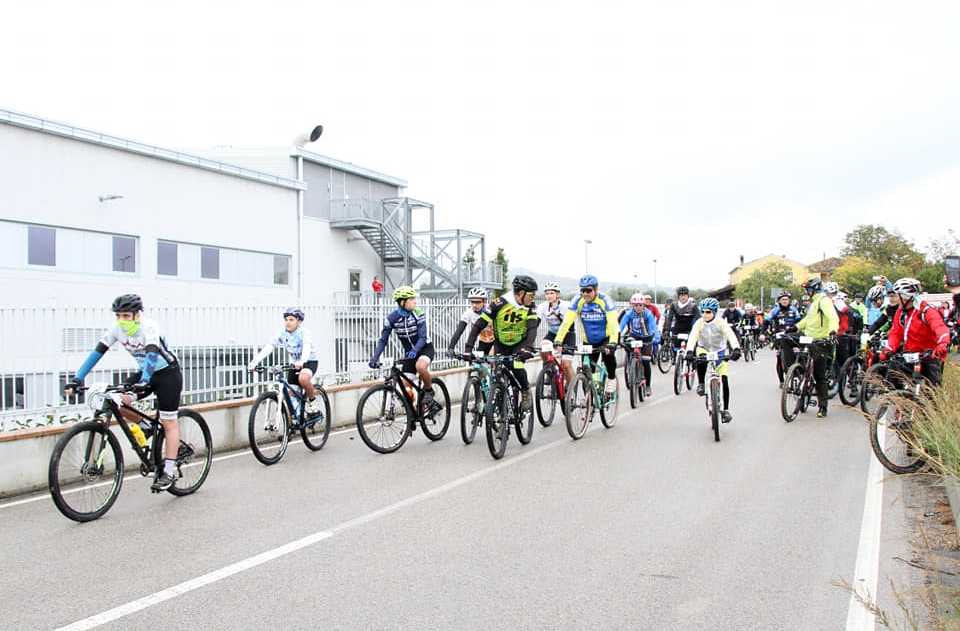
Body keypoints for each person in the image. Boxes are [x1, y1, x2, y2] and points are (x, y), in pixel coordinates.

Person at [64, 294, 183, 491]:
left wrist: (145, 380)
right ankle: (144, 425)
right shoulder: (116, 330)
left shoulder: (149, 327)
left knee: (169, 422)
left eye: (126, 316)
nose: (122, 320)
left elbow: (152, 354)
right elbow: (97, 353)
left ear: (137, 315)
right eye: (118, 316)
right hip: (144, 374)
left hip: (167, 374)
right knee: (117, 400)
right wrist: (78, 378)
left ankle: (169, 471)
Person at [463, 276, 540, 411]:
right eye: (531, 294)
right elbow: (478, 325)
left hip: (520, 343)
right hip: (501, 343)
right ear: (521, 293)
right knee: (497, 370)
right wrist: (468, 349)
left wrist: (527, 348)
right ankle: (499, 399)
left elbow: (532, 328)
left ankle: (526, 391)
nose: (533, 297)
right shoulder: (499, 303)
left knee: (516, 366)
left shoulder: (530, 306)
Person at [369, 286, 439, 409]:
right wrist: (375, 357)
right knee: (405, 389)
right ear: (402, 302)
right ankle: (412, 411)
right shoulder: (392, 318)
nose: (415, 301)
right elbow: (383, 340)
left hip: (424, 348)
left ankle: (428, 390)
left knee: (420, 366)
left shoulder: (418, 313)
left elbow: (423, 337)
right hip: (409, 353)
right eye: (411, 299)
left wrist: (415, 350)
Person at [554, 274, 620, 398]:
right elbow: (567, 322)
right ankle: (590, 402)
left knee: (608, 356)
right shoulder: (578, 301)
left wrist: (612, 342)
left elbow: (613, 324)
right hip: (588, 340)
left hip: (606, 337)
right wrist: (558, 339)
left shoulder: (605, 300)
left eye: (588, 290)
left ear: (596, 289)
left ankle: (611, 378)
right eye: (582, 290)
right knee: (587, 371)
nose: (585, 294)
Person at [248, 307, 322, 414]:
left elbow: (306, 347)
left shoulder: (304, 332)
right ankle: (298, 418)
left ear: (299, 321)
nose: (288, 322)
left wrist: (302, 361)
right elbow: (270, 346)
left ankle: (312, 401)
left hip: (309, 362)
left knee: (303, 378)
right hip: (294, 364)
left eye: (291, 320)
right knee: (291, 393)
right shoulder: (282, 333)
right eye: (286, 319)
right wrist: (254, 362)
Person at [881, 278, 951, 387]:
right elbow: (895, 332)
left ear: (905, 297)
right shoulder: (900, 312)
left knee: (933, 390)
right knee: (892, 376)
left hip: (930, 354)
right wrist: (889, 349)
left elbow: (940, 327)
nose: (896, 300)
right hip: (910, 353)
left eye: (898, 296)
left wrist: (943, 343)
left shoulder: (926, 310)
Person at [684, 298, 741, 423]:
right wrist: (689, 351)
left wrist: (736, 349)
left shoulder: (721, 323)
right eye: (703, 312)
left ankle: (726, 410)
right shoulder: (699, 323)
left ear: (714, 312)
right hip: (704, 348)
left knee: (725, 379)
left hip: (720, 351)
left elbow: (730, 335)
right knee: (701, 360)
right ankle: (701, 384)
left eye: (708, 312)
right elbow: (693, 336)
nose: (705, 314)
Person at [796, 276, 839, 418]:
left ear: (814, 289)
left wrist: (833, 331)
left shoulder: (824, 301)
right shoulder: (813, 303)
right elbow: (808, 320)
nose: (806, 292)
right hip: (809, 338)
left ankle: (823, 407)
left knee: (820, 376)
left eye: (808, 289)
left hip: (821, 341)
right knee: (790, 345)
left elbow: (833, 317)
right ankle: (799, 377)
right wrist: (795, 327)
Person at [619, 293, 660, 397]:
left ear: (643, 305)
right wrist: (617, 335)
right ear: (632, 305)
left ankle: (648, 386)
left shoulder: (648, 314)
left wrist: (655, 338)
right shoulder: (629, 314)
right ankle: (632, 366)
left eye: (640, 305)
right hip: (634, 336)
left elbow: (653, 327)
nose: (638, 307)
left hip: (647, 338)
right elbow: (621, 325)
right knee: (629, 348)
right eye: (636, 305)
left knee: (646, 361)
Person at [536, 281, 575, 387]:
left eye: (551, 293)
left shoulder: (565, 306)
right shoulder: (542, 307)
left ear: (557, 294)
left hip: (567, 335)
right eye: (547, 293)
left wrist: (561, 344)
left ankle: (572, 390)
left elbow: (568, 325)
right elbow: (536, 322)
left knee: (566, 365)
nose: (549, 296)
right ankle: (549, 370)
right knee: (543, 348)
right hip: (553, 334)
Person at [765, 291, 801, 383]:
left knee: (797, 353)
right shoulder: (775, 310)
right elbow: (766, 321)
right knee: (779, 358)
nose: (785, 301)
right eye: (783, 299)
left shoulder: (794, 309)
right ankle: (782, 381)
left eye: (787, 299)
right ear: (779, 301)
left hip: (792, 336)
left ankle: (796, 373)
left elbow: (799, 321)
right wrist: (762, 333)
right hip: (779, 337)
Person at [448, 287, 494, 357]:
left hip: (495, 342)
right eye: (472, 302)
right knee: (477, 364)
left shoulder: (491, 310)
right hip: (483, 342)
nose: (474, 305)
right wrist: (451, 348)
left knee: (493, 361)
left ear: (484, 301)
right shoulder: (468, 313)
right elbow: (459, 331)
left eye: (478, 302)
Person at [662, 286, 701, 353]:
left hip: (689, 330)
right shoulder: (674, 305)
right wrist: (667, 330)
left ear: (688, 296)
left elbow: (699, 319)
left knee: (692, 349)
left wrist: (699, 331)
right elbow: (670, 319)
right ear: (678, 296)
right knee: (675, 349)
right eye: (681, 295)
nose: (683, 297)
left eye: (685, 295)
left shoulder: (693, 306)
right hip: (677, 330)